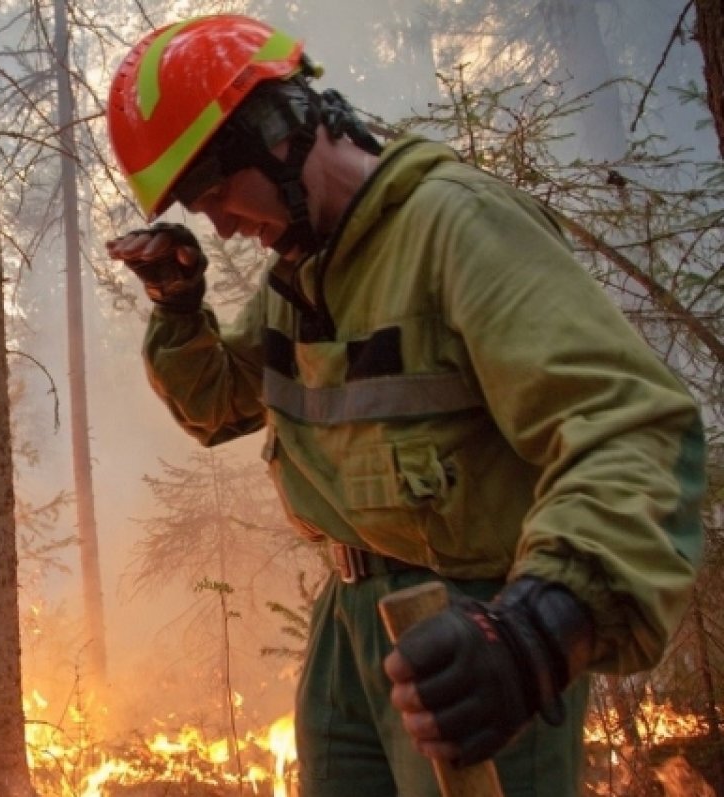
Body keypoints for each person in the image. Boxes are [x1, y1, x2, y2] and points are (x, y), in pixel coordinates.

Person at [103, 14, 705, 797]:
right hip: (348, 631)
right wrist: (179, 306)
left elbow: (631, 426)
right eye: (196, 204)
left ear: (278, 131)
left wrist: (538, 628)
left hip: (472, 627)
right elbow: (221, 404)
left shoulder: (456, 226)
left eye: (215, 189)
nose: (217, 223)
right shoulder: (303, 273)